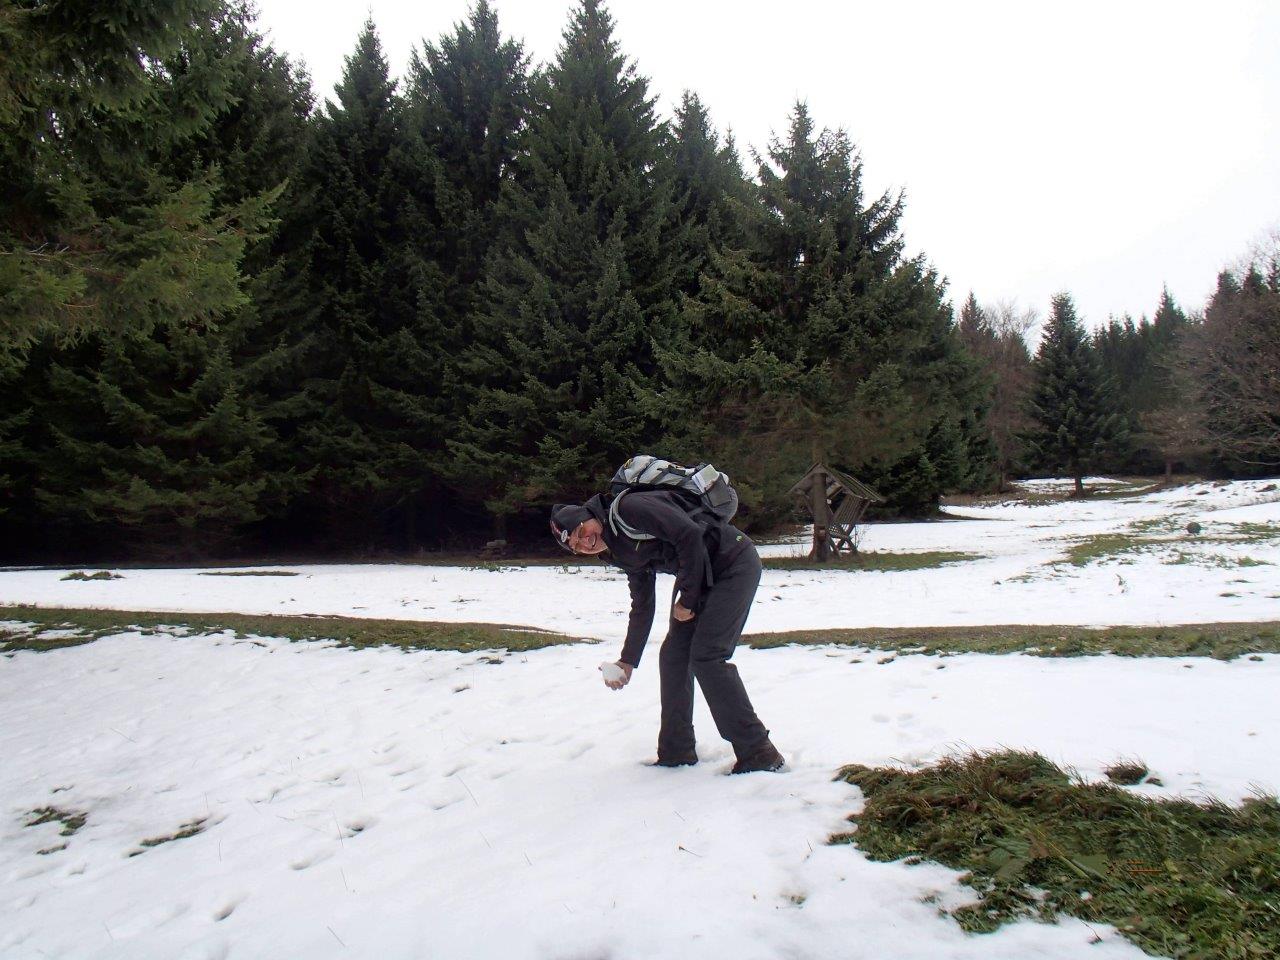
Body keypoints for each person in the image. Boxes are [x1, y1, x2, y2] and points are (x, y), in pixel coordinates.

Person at [550, 489, 784, 774]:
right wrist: (628, 659)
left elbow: (689, 535)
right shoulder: (616, 548)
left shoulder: (629, 509)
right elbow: (643, 602)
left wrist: (687, 599)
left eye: (581, 531)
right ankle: (676, 752)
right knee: (673, 656)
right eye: (576, 546)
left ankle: (759, 752)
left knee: (707, 657)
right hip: (699, 574)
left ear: (588, 516)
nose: (585, 543)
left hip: (733, 561)